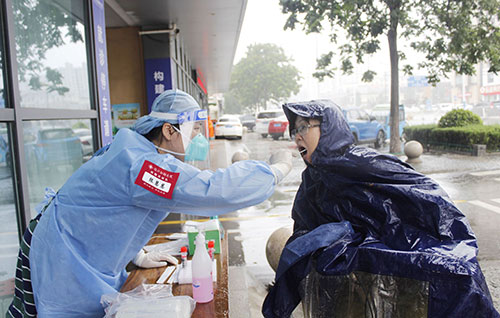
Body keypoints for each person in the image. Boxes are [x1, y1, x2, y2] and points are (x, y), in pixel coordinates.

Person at [7, 89, 292, 318]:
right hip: (56, 251)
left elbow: (108, 211)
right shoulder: (142, 166)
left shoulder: (135, 150)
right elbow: (212, 190)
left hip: (67, 240)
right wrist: (274, 171)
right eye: (192, 130)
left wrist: (136, 253)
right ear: (169, 130)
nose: (198, 138)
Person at [262, 100, 499, 317]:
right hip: (345, 279)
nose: (298, 137)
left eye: (303, 127)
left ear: (327, 128)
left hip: (399, 250)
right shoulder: (312, 180)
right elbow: (303, 229)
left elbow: (425, 195)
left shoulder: (363, 163)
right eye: (295, 131)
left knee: (456, 274)